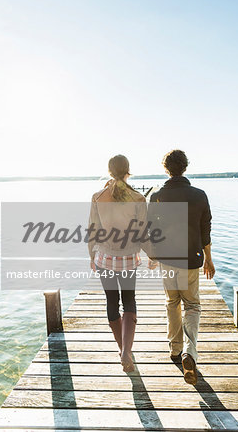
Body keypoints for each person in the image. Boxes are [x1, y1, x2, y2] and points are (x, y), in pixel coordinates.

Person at [149, 150, 215, 385]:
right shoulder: (199, 195)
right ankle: (190, 352)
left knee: (172, 302)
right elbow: (205, 230)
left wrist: (153, 254)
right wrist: (208, 258)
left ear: (166, 169)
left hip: (167, 259)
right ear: (185, 167)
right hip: (191, 260)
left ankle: (175, 350)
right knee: (193, 305)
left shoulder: (157, 196)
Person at [88, 155, 149, 373]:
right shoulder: (138, 198)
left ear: (109, 170)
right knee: (129, 300)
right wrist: (153, 256)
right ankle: (126, 352)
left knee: (111, 302)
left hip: (104, 257)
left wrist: (90, 256)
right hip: (129, 258)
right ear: (128, 170)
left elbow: (92, 231)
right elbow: (143, 234)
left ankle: (123, 348)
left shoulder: (97, 196)